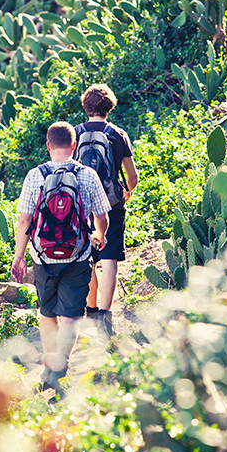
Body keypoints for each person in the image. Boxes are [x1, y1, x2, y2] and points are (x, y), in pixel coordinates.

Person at [11, 121, 111, 395]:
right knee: (69, 318)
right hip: (78, 256)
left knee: (47, 313)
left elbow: (24, 221)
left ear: (48, 145)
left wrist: (19, 256)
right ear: (74, 146)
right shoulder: (87, 174)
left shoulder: (35, 175)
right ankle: (61, 366)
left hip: (42, 258)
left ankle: (49, 364)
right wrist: (99, 236)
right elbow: (102, 216)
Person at [75, 84, 139, 339]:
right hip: (111, 203)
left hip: (82, 204)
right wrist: (126, 191)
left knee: (89, 257)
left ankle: (90, 310)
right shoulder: (118, 134)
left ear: (86, 106)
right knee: (110, 257)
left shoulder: (75, 133)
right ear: (110, 107)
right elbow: (132, 176)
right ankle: (105, 315)